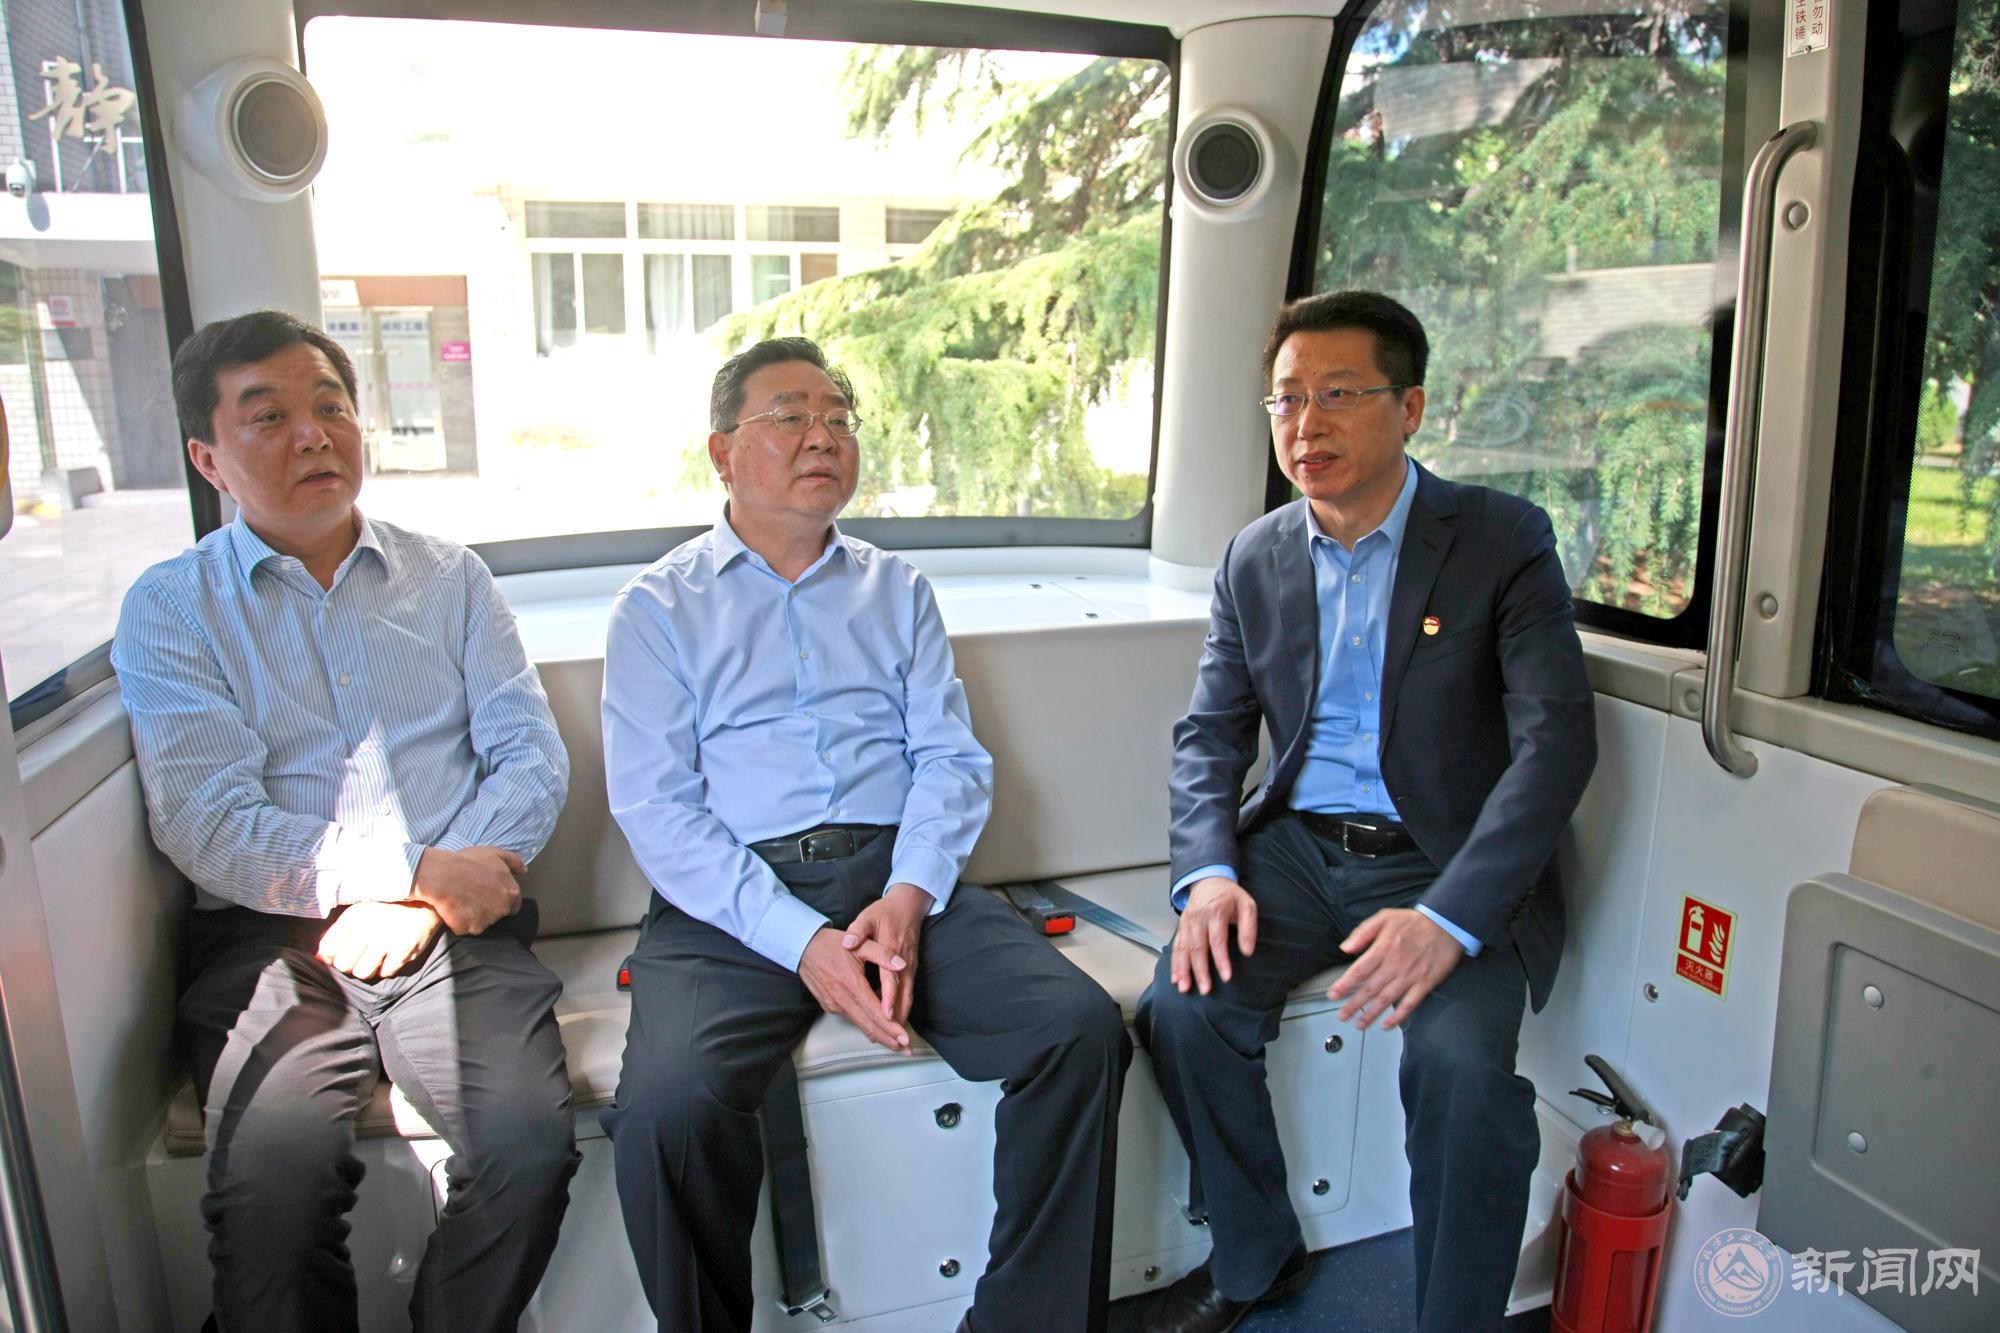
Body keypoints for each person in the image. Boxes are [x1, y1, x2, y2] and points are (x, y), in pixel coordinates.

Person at [600, 336, 1131, 1333]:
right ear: (721, 452)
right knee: (669, 1112)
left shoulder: (897, 589)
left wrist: (908, 895)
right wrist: (802, 941)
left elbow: (950, 759)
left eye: (838, 418)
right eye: (790, 417)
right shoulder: (658, 607)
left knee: (1078, 1030)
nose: (823, 437)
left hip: (895, 875)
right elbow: (658, 810)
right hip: (732, 901)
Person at [1137, 291, 1597, 1332]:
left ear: (1410, 406)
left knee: (1460, 1070)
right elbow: (1210, 735)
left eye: (1338, 394)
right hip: (1297, 850)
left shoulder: (1499, 539)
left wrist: (1449, 918)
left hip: (1447, 859)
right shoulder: (1255, 555)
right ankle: (1255, 1258)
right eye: (1286, 399)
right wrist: (1207, 874)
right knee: (1183, 1009)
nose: (1306, 424)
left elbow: (1555, 745)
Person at [113, 310, 579, 1332]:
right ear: (208, 458)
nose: (313, 434)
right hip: (271, 937)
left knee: (528, 1149)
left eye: (330, 406)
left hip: (456, 926)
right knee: (271, 1195)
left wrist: (429, 895)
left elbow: (529, 756)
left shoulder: (450, 578)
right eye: (268, 416)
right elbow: (206, 820)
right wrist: (409, 871)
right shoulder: (174, 607)